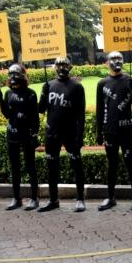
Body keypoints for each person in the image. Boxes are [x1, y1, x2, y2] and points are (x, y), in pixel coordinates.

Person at [37, 56, 86, 212]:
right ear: (54, 67)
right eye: (58, 65)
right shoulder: (49, 85)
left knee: (76, 166)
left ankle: (80, 199)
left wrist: (80, 136)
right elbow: (40, 109)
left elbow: (81, 115)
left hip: (70, 133)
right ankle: (53, 200)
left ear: (70, 67)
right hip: (52, 133)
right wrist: (44, 93)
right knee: (52, 167)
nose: (61, 68)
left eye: (64, 65)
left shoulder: (77, 87)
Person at [95, 51, 132, 211]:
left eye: (119, 58)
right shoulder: (102, 83)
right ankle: (110, 197)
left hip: (126, 129)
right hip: (110, 130)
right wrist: (98, 132)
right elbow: (100, 110)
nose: (116, 61)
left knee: (130, 162)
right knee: (112, 164)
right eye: (113, 59)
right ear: (107, 62)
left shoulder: (129, 79)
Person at [0, 64, 40, 211]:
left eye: (17, 75)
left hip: (26, 135)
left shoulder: (31, 94)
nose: (13, 79)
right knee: (14, 167)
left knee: (30, 166)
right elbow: (8, 115)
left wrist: (35, 133)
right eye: (11, 75)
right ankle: (16, 198)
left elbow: (35, 116)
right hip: (12, 134)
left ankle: (34, 198)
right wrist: (1, 101)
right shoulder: (8, 94)